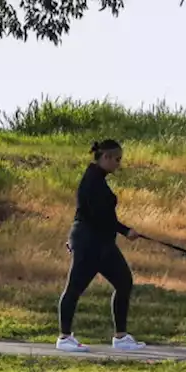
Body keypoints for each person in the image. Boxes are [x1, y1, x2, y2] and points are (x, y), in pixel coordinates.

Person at [57, 139, 146, 353]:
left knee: (124, 282)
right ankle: (64, 337)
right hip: (89, 242)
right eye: (116, 159)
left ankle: (121, 337)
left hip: (102, 243)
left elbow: (103, 217)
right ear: (105, 157)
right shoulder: (92, 181)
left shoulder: (98, 179)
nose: (118, 164)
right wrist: (126, 231)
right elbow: (99, 217)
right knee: (74, 288)